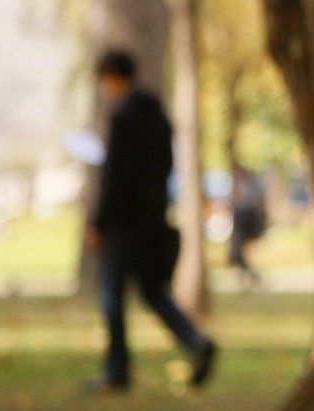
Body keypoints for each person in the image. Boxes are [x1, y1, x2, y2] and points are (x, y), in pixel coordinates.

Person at [86, 49, 216, 392]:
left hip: (123, 223)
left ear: (113, 75)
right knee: (151, 290)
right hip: (152, 221)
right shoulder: (158, 115)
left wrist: (99, 222)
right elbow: (164, 170)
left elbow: (115, 177)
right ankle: (195, 341)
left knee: (111, 294)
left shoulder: (123, 118)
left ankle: (117, 371)